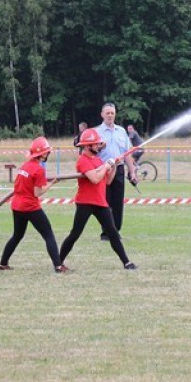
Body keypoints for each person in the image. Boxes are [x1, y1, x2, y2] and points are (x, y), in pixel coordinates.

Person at [58, 127, 137, 271]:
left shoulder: (98, 160)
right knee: (75, 234)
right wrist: (106, 166)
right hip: (85, 203)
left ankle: (127, 263)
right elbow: (95, 178)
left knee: (113, 233)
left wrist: (113, 166)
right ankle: (58, 263)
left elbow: (107, 181)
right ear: (88, 146)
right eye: (96, 144)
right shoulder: (83, 161)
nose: (98, 146)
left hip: (100, 202)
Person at [0, 136, 69, 274]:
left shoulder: (24, 166)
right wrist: (51, 184)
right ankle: (58, 266)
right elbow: (37, 192)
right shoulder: (39, 169)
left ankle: (3, 263)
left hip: (17, 206)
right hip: (30, 207)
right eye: (47, 152)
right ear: (42, 153)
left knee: (17, 236)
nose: (48, 154)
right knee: (48, 235)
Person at [94, 102, 137, 234]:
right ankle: (106, 232)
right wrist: (99, 148)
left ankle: (116, 231)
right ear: (102, 115)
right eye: (107, 113)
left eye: (112, 113)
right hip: (103, 170)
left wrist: (132, 172)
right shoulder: (96, 132)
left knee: (118, 203)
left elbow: (127, 153)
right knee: (105, 203)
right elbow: (91, 152)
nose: (110, 115)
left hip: (118, 169)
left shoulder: (121, 131)